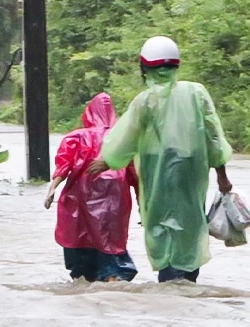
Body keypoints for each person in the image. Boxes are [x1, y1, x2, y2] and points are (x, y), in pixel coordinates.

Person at [89, 36, 233, 283]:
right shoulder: (197, 93)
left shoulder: (145, 101)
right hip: (191, 173)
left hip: (158, 174)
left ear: (144, 69)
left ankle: (171, 288)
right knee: (190, 227)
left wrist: (108, 161)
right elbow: (214, 139)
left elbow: (124, 139)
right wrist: (222, 177)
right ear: (176, 65)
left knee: (163, 228)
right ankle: (186, 284)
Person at [45, 93, 140, 282]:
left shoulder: (76, 137)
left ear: (89, 112)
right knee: (110, 246)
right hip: (115, 202)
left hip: (79, 201)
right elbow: (136, 176)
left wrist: (51, 190)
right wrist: (143, 206)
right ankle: (113, 280)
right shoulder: (123, 139)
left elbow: (63, 167)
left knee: (80, 249)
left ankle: (85, 288)